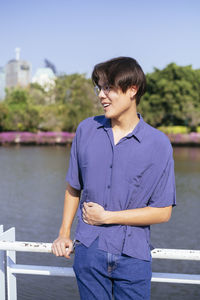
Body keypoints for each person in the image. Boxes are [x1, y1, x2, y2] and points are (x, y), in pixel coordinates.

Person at [52, 57, 176, 300]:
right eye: (100, 87)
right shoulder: (86, 131)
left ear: (132, 90)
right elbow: (73, 187)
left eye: (108, 87)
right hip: (89, 251)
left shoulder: (158, 144)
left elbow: (163, 211)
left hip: (133, 256)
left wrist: (107, 217)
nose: (101, 95)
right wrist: (64, 233)